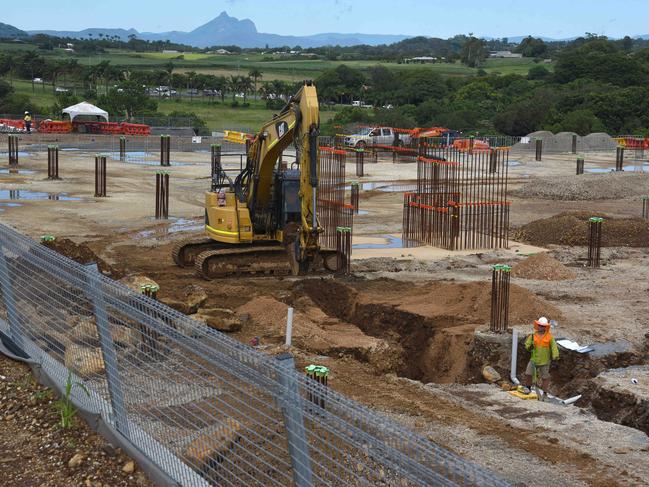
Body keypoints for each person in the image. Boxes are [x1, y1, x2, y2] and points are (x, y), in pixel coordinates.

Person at [524, 317, 559, 395]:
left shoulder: (549, 337)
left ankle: (544, 393)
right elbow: (527, 345)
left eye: (543, 326)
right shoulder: (533, 336)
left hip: (544, 361)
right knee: (528, 374)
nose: (541, 327)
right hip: (534, 360)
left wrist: (555, 355)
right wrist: (529, 347)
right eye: (540, 325)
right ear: (537, 325)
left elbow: (554, 346)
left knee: (545, 377)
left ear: (546, 327)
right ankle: (528, 388)